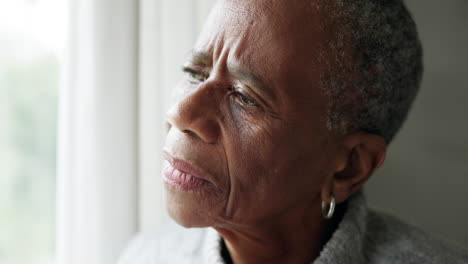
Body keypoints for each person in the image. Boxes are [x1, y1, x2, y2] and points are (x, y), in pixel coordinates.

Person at [118, 0, 468, 263]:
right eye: (194, 71)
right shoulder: (146, 255)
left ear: (348, 166)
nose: (180, 112)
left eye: (243, 97)